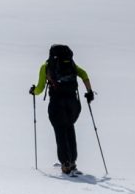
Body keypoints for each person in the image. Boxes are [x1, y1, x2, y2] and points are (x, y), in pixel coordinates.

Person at [29, 44, 94, 175]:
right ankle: (73, 161)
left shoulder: (46, 66)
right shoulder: (71, 64)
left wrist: (33, 91)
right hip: (73, 104)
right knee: (69, 128)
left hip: (57, 104)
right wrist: (89, 92)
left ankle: (65, 163)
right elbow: (84, 74)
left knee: (60, 131)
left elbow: (40, 88)